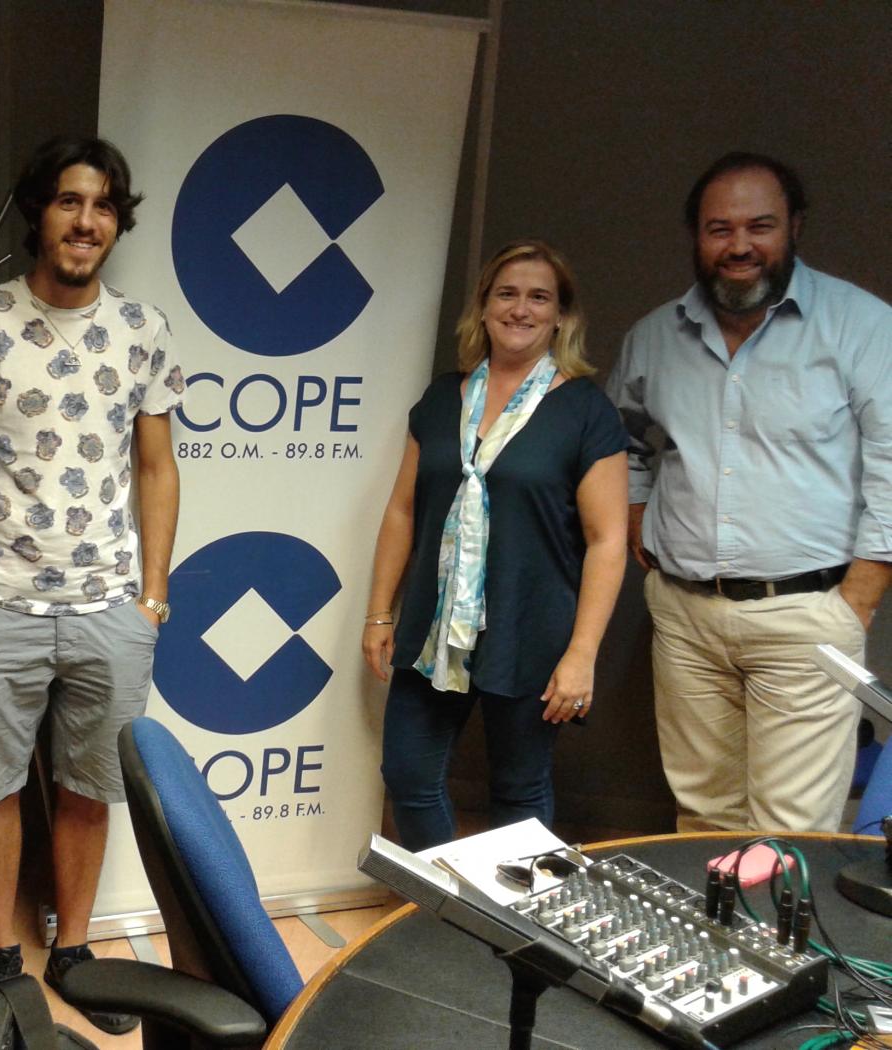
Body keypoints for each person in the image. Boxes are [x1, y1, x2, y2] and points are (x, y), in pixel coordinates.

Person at [0, 135, 181, 1034]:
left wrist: (152, 597)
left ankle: (72, 951)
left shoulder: (142, 330)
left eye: (104, 205)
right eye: (70, 201)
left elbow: (157, 468)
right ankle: (0, 962)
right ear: (39, 211)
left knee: (88, 788)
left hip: (109, 606)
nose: (87, 221)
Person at [607, 153, 891, 833]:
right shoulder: (653, 337)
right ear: (696, 237)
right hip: (683, 618)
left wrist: (858, 598)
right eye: (718, 229)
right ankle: (713, 945)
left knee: (789, 834)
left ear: (794, 226)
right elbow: (619, 436)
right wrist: (639, 508)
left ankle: (773, 948)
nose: (739, 246)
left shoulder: (864, 327)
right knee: (704, 819)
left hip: (808, 615)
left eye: (760, 226)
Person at [363, 239, 628, 851]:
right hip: (435, 628)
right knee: (408, 774)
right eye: (506, 294)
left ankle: (513, 931)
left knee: (518, 789)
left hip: (532, 630)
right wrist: (381, 610)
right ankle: (449, 912)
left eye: (539, 297)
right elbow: (403, 510)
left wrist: (582, 654)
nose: (521, 309)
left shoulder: (585, 411)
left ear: (562, 315)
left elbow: (608, 539)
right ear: (482, 308)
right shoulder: (440, 399)